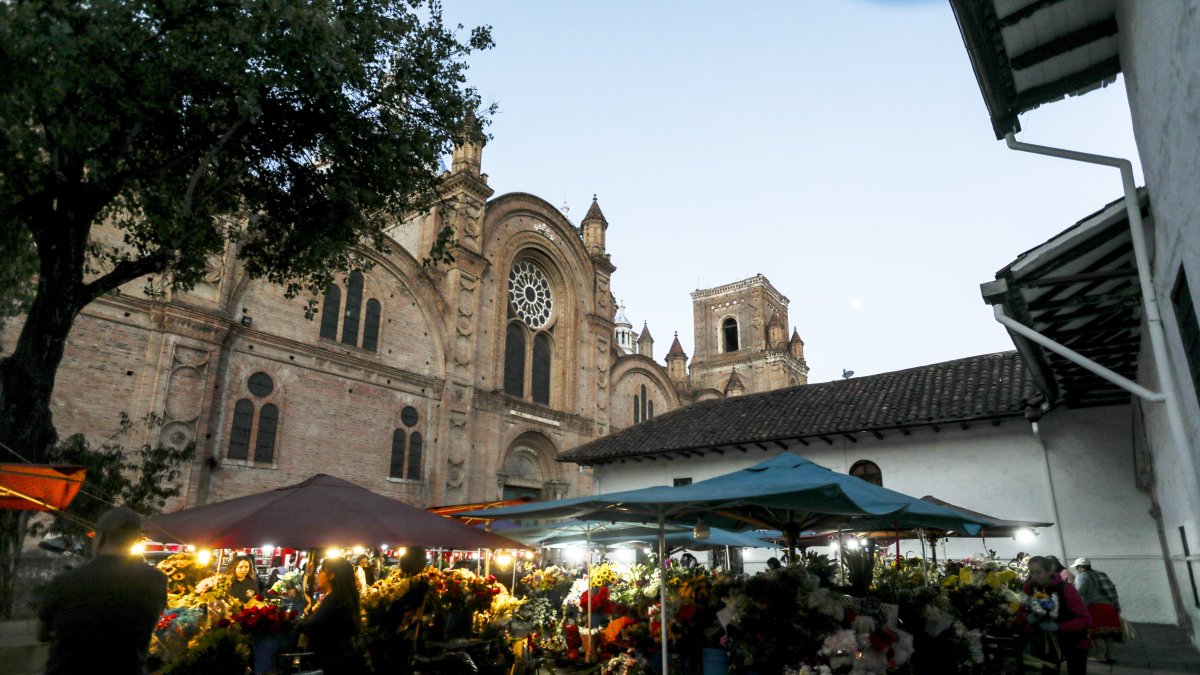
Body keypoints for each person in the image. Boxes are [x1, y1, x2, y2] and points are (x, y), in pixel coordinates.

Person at [36, 507, 167, 675]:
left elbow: (41, 633)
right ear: (137, 541)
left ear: (100, 538)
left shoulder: (65, 581)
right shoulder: (157, 580)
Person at [1023, 555, 1092, 675]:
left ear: (1050, 570)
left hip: (1074, 641)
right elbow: (1022, 609)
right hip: (1046, 643)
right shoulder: (1030, 587)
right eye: (1032, 572)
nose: (1034, 577)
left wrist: (1059, 626)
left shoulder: (1066, 589)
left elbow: (1085, 620)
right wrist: (1027, 617)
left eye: (1038, 572)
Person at [299, 557, 365, 674]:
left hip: (331, 661)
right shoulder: (344, 596)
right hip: (343, 657)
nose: (318, 574)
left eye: (321, 571)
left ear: (331, 576)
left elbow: (315, 625)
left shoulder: (335, 599)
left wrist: (298, 624)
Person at [1073, 558, 1122, 663]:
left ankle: (1100, 656)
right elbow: (1111, 590)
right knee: (1108, 634)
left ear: (1081, 567)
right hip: (1108, 607)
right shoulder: (1101, 574)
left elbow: (1079, 593)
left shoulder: (1082, 576)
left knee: (1097, 634)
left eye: (1077, 567)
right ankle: (1111, 655)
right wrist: (1116, 605)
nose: (1076, 570)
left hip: (1094, 607)